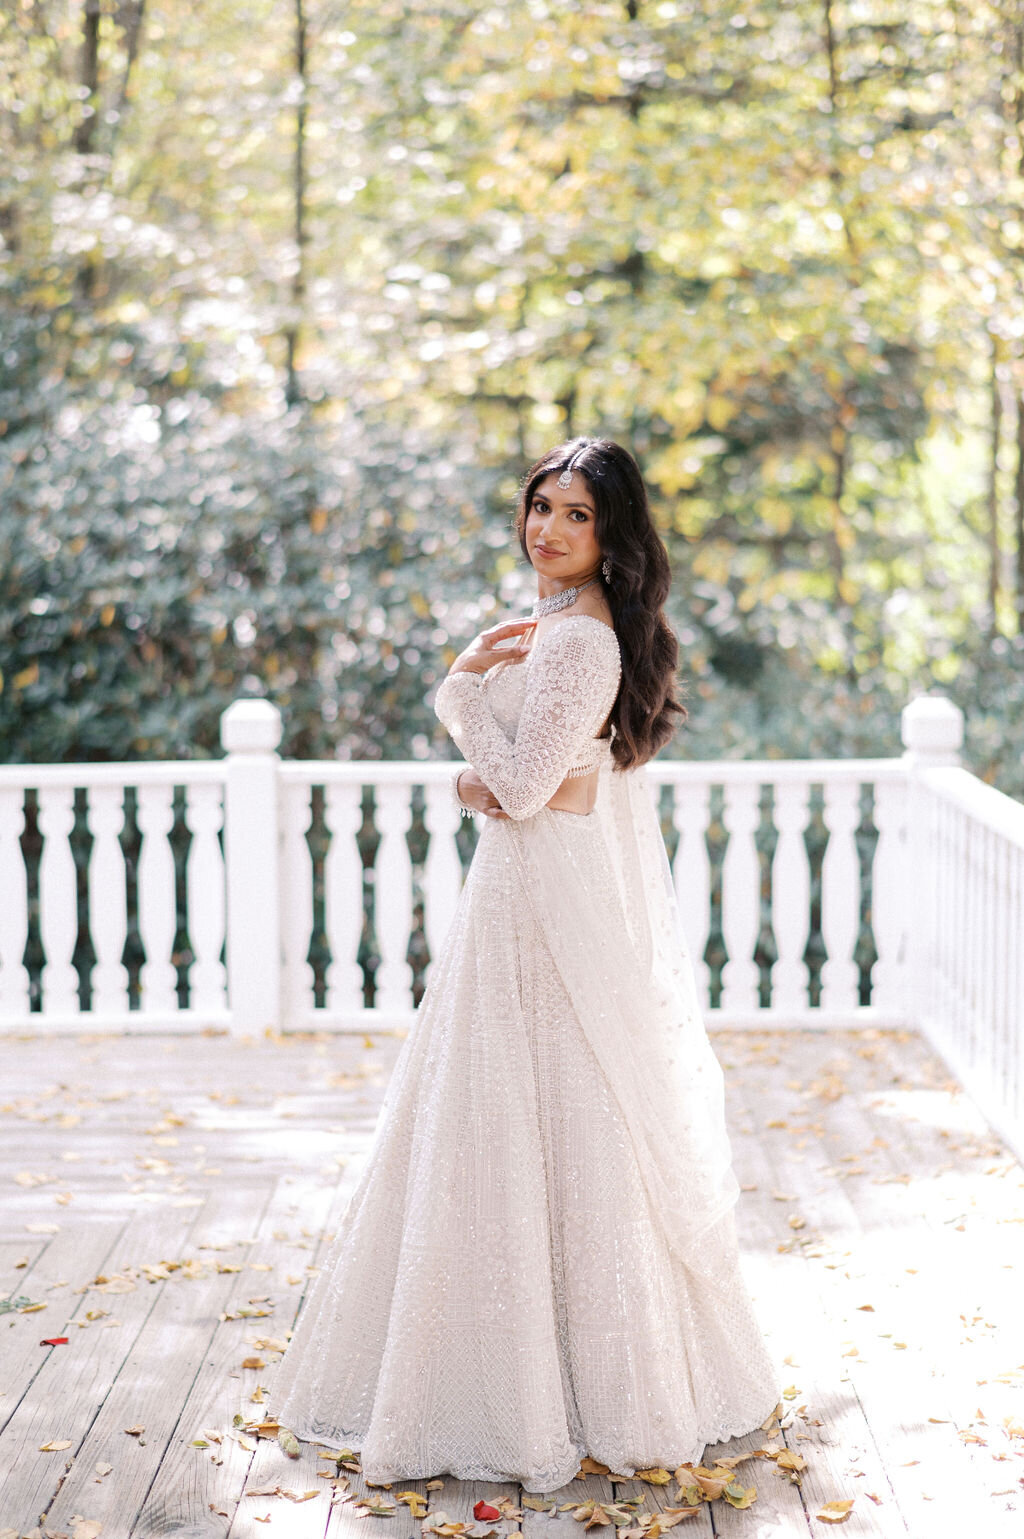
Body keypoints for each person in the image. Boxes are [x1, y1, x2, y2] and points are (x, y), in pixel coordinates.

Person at [271, 436, 782, 1491]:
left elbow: (513, 786)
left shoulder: (577, 641)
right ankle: (519, 1371)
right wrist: (502, 780)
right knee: (508, 1116)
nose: (546, 529)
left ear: (613, 537)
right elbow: (539, 786)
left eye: (575, 515)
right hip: (519, 895)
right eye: (540, 506)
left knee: (549, 1113)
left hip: (536, 908)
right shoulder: (555, 627)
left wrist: (459, 695)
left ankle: (565, 1384)